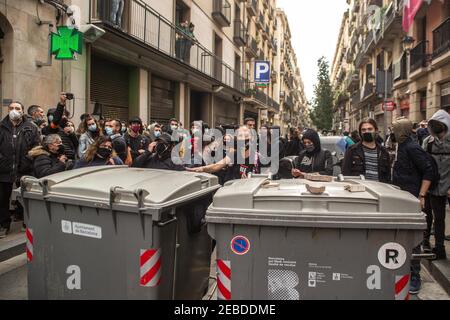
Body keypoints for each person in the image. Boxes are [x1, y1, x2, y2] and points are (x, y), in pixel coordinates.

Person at [391, 117, 436, 295]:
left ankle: (415, 275)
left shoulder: (412, 147)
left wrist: (422, 195)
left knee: (413, 239)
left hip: (412, 200)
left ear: (404, 130)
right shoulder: (401, 146)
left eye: (396, 129)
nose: (393, 132)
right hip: (400, 199)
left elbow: (429, 170)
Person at [0, 102, 40, 238]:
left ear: (22, 111)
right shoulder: (1, 126)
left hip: (24, 169)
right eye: (11, 108)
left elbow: (36, 147)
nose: (14, 111)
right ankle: (4, 225)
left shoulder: (31, 127)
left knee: (25, 198)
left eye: (17, 108)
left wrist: (28, 160)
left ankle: (26, 222)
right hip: (4, 170)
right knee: (2, 199)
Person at [422, 110, 450, 261]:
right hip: (434, 186)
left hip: (448, 184)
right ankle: (438, 248)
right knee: (435, 217)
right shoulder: (428, 142)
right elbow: (424, 164)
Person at [187, 126, 261, 181]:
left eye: (246, 135)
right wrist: (200, 169)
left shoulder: (257, 158)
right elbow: (216, 166)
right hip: (229, 189)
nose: (243, 138)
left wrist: (249, 180)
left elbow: (263, 179)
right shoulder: (235, 154)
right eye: (240, 135)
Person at [342, 119, 391, 183]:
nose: (366, 132)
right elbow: (345, 174)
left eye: (370, 129)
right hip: (359, 190)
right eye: (363, 130)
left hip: (379, 190)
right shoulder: (352, 150)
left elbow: (388, 176)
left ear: (376, 131)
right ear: (360, 132)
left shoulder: (383, 152)